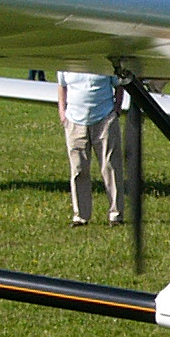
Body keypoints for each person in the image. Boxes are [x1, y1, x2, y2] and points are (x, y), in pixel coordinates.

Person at [56, 70, 123, 226]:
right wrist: (62, 112)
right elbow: (62, 86)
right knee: (78, 169)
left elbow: (119, 85)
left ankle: (116, 214)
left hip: (104, 119)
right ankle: (80, 216)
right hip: (74, 121)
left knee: (110, 167)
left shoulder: (102, 60)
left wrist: (117, 108)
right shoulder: (66, 62)